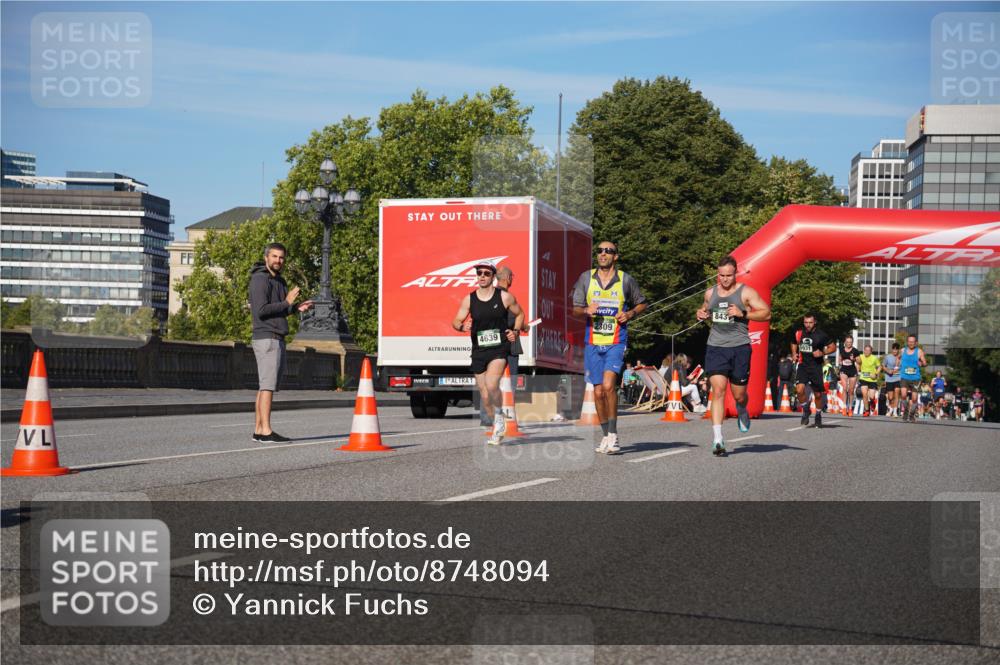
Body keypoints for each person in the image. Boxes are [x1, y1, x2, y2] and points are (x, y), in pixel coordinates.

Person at [572, 240, 647, 454]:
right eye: (600, 251)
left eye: (608, 251)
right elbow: (575, 310)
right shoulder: (586, 278)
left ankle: (613, 435)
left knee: (607, 386)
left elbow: (642, 302)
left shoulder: (626, 280)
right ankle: (605, 435)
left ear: (616, 256)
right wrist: (586, 310)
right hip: (593, 342)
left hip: (616, 340)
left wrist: (630, 313)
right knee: (597, 392)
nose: (603, 254)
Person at [696, 255, 771, 456]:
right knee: (718, 390)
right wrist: (701, 314)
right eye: (721, 275)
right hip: (716, 347)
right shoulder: (710, 293)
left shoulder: (746, 293)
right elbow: (704, 310)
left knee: (739, 394)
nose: (725, 279)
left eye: (729, 275)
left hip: (739, 348)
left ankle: (742, 409)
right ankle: (718, 439)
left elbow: (766, 313)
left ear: (735, 273)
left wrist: (743, 314)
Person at [453, 261, 524, 445]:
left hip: (499, 348)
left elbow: (520, 314)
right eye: (479, 273)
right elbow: (456, 320)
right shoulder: (469, 299)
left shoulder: (505, 297)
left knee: (492, 385)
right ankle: (498, 421)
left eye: (486, 273)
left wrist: (515, 331)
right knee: (485, 396)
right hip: (478, 350)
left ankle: (499, 414)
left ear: (493, 277)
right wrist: (462, 326)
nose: (482, 276)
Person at [249, 243, 314, 443]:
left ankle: (259, 429)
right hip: (267, 336)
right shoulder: (260, 279)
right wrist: (286, 302)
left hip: (275, 336)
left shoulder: (279, 280)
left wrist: (294, 308)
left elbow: (277, 309)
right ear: (266, 257)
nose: (278, 261)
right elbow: (261, 310)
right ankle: (267, 431)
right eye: (275, 256)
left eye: (281, 258)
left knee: (264, 386)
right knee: (267, 386)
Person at [478, 266, 523, 427]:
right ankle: (506, 419)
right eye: (512, 277)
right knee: (508, 385)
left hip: (488, 346)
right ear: (508, 278)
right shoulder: (506, 296)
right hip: (507, 347)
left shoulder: (487, 295)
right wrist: (522, 327)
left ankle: (487, 417)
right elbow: (512, 319)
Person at [790, 314, 837, 428]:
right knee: (799, 390)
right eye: (806, 322)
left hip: (815, 366)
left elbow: (833, 347)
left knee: (818, 394)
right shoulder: (799, 333)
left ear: (814, 322)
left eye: (810, 322)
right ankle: (806, 409)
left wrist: (822, 353)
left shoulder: (821, 335)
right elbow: (793, 343)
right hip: (803, 365)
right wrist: (794, 354)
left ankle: (818, 414)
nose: (808, 325)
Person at [898, 334, 927, 422]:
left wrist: (922, 363)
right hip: (904, 376)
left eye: (912, 342)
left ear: (916, 343)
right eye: (909, 342)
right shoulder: (903, 350)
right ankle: (906, 412)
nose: (911, 343)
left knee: (914, 398)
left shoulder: (919, 351)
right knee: (903, 395)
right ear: (907, 342)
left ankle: (912, 415)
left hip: (915, 378)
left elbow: (925, 363)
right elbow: (898, 359)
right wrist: (898, 364)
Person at [838, 336, 861, 415]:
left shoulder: (855, 351)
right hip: (844, 370)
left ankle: (850, 408)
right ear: (845, 342)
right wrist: (840, 362)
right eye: (847, 342)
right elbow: (840, 358)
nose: (849, 343)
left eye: (850, 342)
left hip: (852, 371)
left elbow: (860, 361)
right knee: (844, 388)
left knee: (851, 391)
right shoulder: (841, 349)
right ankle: (844, 407)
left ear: (852, 342)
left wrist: (854, 359)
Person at [857, 344, 881, 416]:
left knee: (871, 397)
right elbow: (856, 362)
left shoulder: (874, 358)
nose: (867, 352)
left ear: (871, 351)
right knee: (864, 394)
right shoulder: (861, 357)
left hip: (872, 379)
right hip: (863, 378)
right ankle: (867, 410)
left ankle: (872, 402)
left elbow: (879, 367)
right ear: (863, 350)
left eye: (868, 350)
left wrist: (876, 374)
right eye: (865, 350)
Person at [882, 343, 901, 417]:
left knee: (896, 394)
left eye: (896, 349)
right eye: (894, 349)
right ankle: (890, 409)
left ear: (898, 350)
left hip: (898, 378)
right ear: (892, 349)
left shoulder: (901, 358)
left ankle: (895, 411)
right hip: (889, 378)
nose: (895, 351)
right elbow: (883, 366)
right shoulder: (888, 357)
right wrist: (887, 370)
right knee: (890, 397)